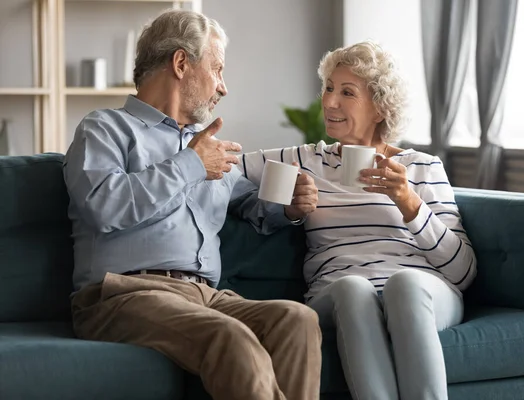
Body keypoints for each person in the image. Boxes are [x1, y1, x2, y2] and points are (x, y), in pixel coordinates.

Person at [62, 9, 322, 400]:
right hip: (122, 295)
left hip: (204, 295)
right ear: (181, 63)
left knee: (296, 319)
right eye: (218, 69)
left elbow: (248, 204)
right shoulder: (104, 129)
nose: (224, 87)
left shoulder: (205, 145)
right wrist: (189, 164)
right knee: (230, 338)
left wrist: (289, 208)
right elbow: (103, 206)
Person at [240, 41, 477, 400]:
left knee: (406, 285)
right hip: (336, 293)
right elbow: (224, 169)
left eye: (347, 92)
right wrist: (284, 208)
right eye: (329, 88)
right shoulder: (303, 161)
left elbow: (462, 272)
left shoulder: (423, 168)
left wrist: (409, 202)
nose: (329, 102)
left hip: (423, 291)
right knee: (353, 287)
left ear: (380, 107)